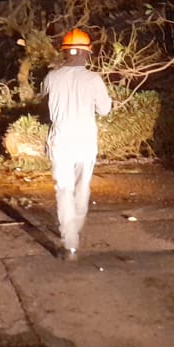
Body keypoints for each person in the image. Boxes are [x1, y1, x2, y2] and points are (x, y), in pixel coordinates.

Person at [41, 28, 112, 261]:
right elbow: (105, 109)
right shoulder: (93, 79)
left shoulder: (51, 77)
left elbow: (42, 100)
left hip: (61, 139)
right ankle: (75, 231)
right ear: (86, 53)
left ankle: (70, 243)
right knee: (82, 188)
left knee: (64, 190)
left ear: (65, 52)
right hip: (85, 140)